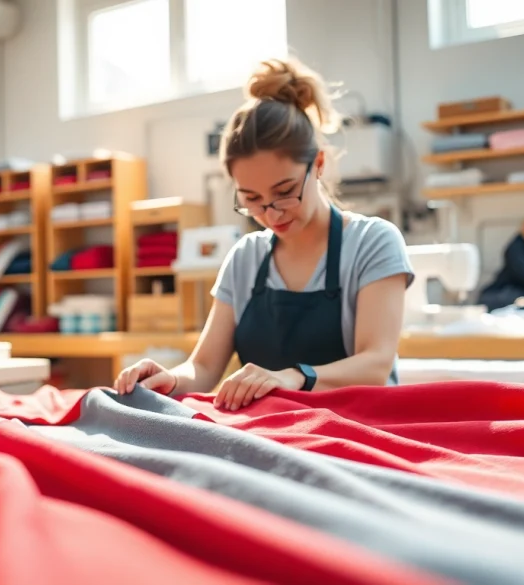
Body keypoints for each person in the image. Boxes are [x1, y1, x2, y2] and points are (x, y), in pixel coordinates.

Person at [114, 58, 415, 410]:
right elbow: (205, 366)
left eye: (285, 191)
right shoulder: (245, 258)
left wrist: (292, 377)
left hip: (362, 430)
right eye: (252, 200)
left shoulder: (372, 242)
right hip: (275, 437)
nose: (270, 213)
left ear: (317, 165)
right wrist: (171, 380)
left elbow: (375, 365)